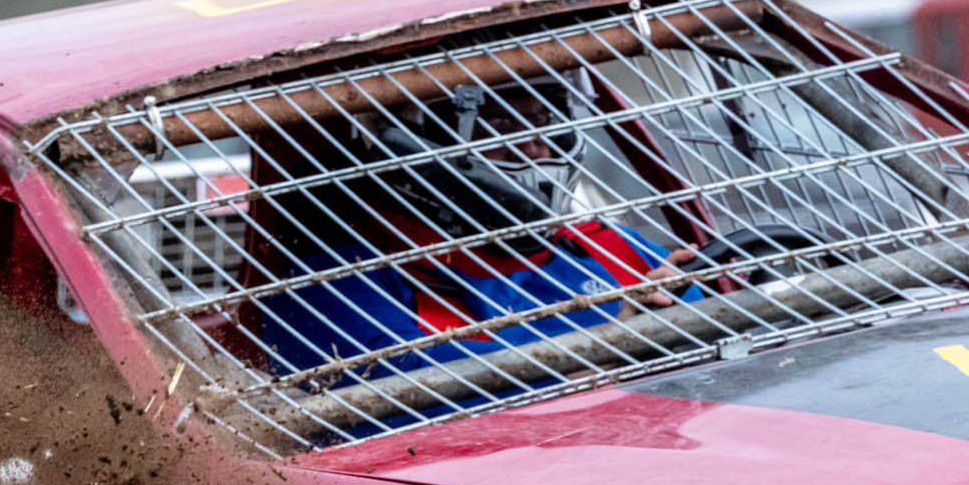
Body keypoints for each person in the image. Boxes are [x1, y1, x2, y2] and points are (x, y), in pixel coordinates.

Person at [250, 73, 695, 380]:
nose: (534, 146)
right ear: (415, 143)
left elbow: (709, 309)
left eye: (544, 120)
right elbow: (407, 391)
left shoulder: (609, 245)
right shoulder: (332, 283)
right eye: (498, 126)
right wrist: (607, 346)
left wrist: (670, 309)